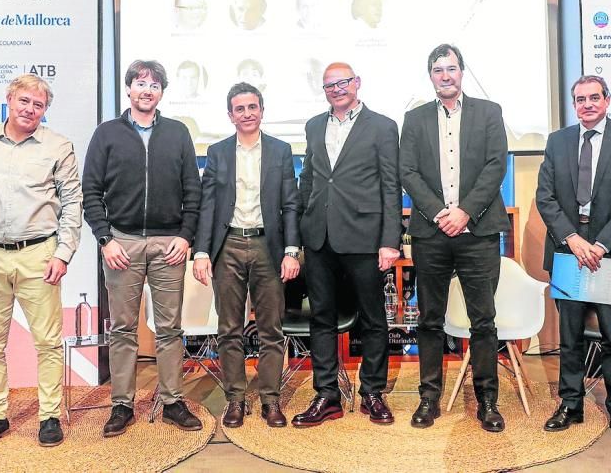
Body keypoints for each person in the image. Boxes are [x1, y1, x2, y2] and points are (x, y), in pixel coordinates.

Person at [0, 74, 81, 450]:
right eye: (24, 101)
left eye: (38, 105)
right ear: (9, 100)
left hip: (40, 255)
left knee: (48, 342)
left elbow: (73, 203)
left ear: (45, 111)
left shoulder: (58, 146)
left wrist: (63, 253)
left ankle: (50, 416)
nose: (30, 109)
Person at [82, 60, 203, 437]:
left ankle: (171, 401)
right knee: (122, 330)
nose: (146, 90)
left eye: (154, 84)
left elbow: (193, 191)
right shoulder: (106, 134)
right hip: (122, 243)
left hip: (170, 243)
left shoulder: (179, 133)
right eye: (139, 83)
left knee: (170, 329)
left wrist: (185, 236)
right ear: (129, 89)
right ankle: (121, 404)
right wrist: (105, 239)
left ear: (162, 92)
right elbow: (91, 193)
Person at [399, 43, 510, 432]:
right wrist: (439, 214)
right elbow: (407, 171)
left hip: (477, 230)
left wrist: (465, 212)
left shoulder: (489, 112)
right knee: (429, 320)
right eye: (438, 70)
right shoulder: (413, 119)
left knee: (484, 321)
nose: (445, 76)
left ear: (462, 71)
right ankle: (428, 399)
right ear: (430, 75)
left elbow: (497, 164)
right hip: (431, 232)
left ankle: (488, 402)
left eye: (451, 69)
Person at [535, 75, 611, 443]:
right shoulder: (558, 141)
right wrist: (572, 239)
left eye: (594, 98)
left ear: (607, 100)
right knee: (570, 339)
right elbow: (545, 196)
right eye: (580, 99)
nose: (587, 105)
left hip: (609, 256)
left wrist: (599, 245)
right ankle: (570, 404)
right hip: (569, 253)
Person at [293, 62, 402, 427]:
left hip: (365, 238)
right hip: (319, 238)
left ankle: (373, 392)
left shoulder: (383, 127)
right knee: (321, 318)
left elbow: (391, 186)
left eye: (342, 82)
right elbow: (308, 180)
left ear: (357, 83)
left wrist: (390, 241)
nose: (336, 89)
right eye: (329, 85)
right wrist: (299, 233)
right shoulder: (313, 126)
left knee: (373, 319)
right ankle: (327, 395)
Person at [192, 83, 301, 429]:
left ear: (262, 110)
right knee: (229, 330)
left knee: (271, 329)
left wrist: (291, 251)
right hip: (229, 248)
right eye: (239, 109)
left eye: (252, 107)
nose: (247, 113)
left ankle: (271, 400)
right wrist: (201, 251)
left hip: (268, 246)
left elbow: (290, 204)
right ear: (230, 115)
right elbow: (207, 204)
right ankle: (235, 399)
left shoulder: (281, 151)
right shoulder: (218, 151)